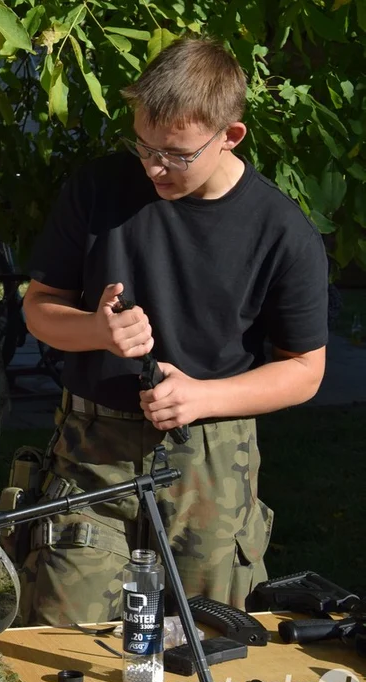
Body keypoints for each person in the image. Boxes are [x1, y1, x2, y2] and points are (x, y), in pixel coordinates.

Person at [17, 36, 328, 625]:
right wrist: (96, 330)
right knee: (67, 642)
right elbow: (39, 308)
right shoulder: (97, 190)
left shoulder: (282, 231)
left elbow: (305, 370)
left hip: (211, 461)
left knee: (207, 643)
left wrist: (202, 396)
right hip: (92, 452)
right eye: (143, 145)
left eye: (176, 154)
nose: (153, 166)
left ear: (229, 136)